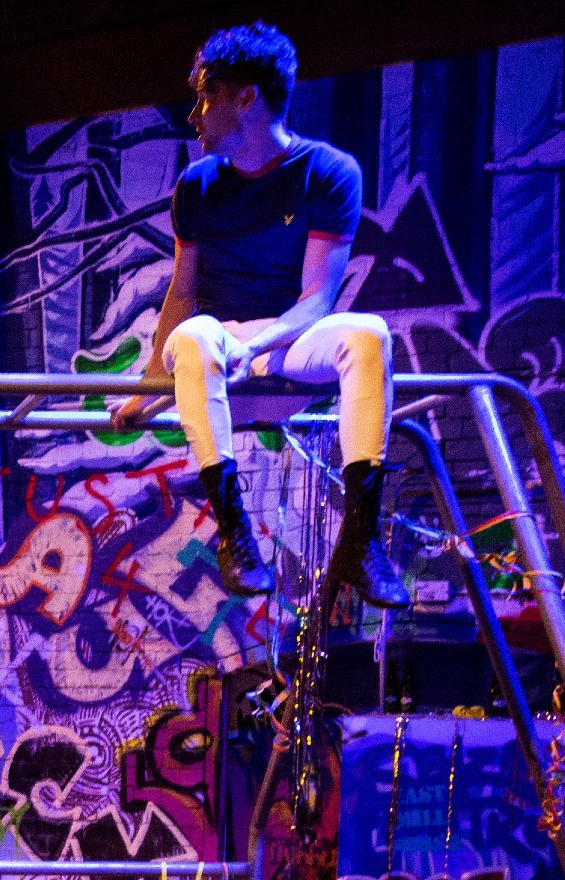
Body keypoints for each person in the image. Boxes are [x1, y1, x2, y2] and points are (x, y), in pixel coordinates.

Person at [111, 21, 408, 609]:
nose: (194, 113)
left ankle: (361, 539)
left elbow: (318, 300)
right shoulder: (196, 185)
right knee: (198, 334)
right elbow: (181, 294)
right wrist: (147, 390)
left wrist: (262, 343)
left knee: (369, 334)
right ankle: (235, 534)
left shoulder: (327, 172)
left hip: (286, 343)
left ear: (246, 97)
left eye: (206, 95)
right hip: (216, 344)